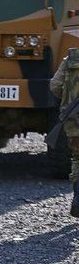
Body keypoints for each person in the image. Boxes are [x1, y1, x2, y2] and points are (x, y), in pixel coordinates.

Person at [50, 47, 79, 217]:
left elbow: (55, 86)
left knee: (77, 159)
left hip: (74, 121)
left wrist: (70, 101)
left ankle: (77, 199)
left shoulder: (70, 59)